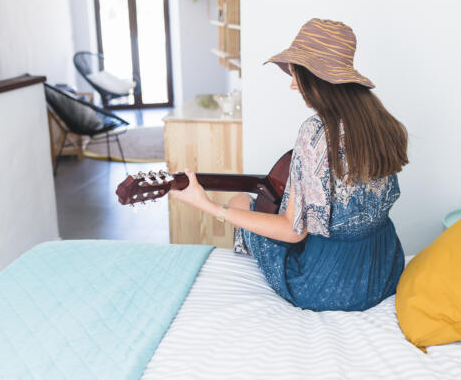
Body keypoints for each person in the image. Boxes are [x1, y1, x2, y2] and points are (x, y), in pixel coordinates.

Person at [169, 18, 408, 311]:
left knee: (241, 201)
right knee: (260, 205)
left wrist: (209, 206)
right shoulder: (382, 122)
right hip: (384, 269)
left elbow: (293, 232)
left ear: (316, 76)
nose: (293, 84)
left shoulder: (317, 132)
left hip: (329, 284)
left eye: (296, 74)